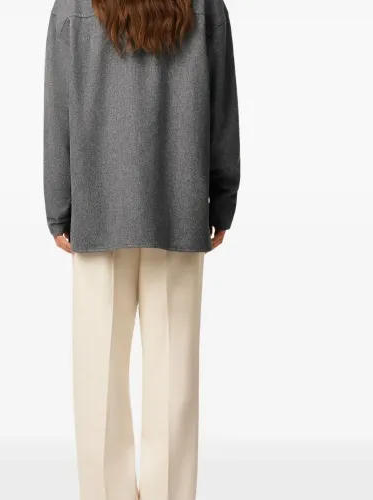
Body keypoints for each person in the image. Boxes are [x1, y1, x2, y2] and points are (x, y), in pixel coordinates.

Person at [43, 0, 240, 497]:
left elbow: (58, 110)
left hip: (98, 208)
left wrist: (59, 206)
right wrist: (222, 198)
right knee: (174, 380)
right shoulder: (204, 5)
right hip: (178, 205)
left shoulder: (73, 6)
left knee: (98, 379)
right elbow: (222, 112)